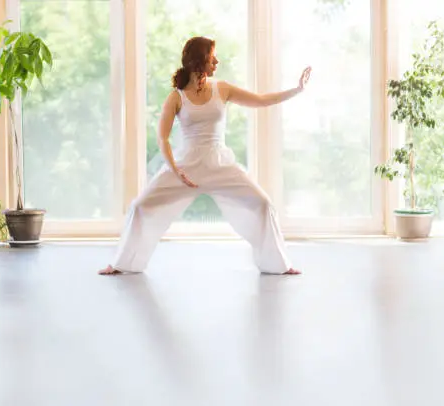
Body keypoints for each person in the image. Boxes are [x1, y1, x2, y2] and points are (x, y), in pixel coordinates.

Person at [99, 36, 312, 276]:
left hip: (220, 164)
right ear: (199, 61)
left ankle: (278, 264)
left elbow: (261, 101)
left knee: (263, 204)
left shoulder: (222, 89)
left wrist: (297, 90)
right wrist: (175, 170)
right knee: (139, 206)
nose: (217, 62)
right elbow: (163, 138)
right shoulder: (176, 97)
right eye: (212, 57)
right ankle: (120, 264)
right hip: (185, 166)